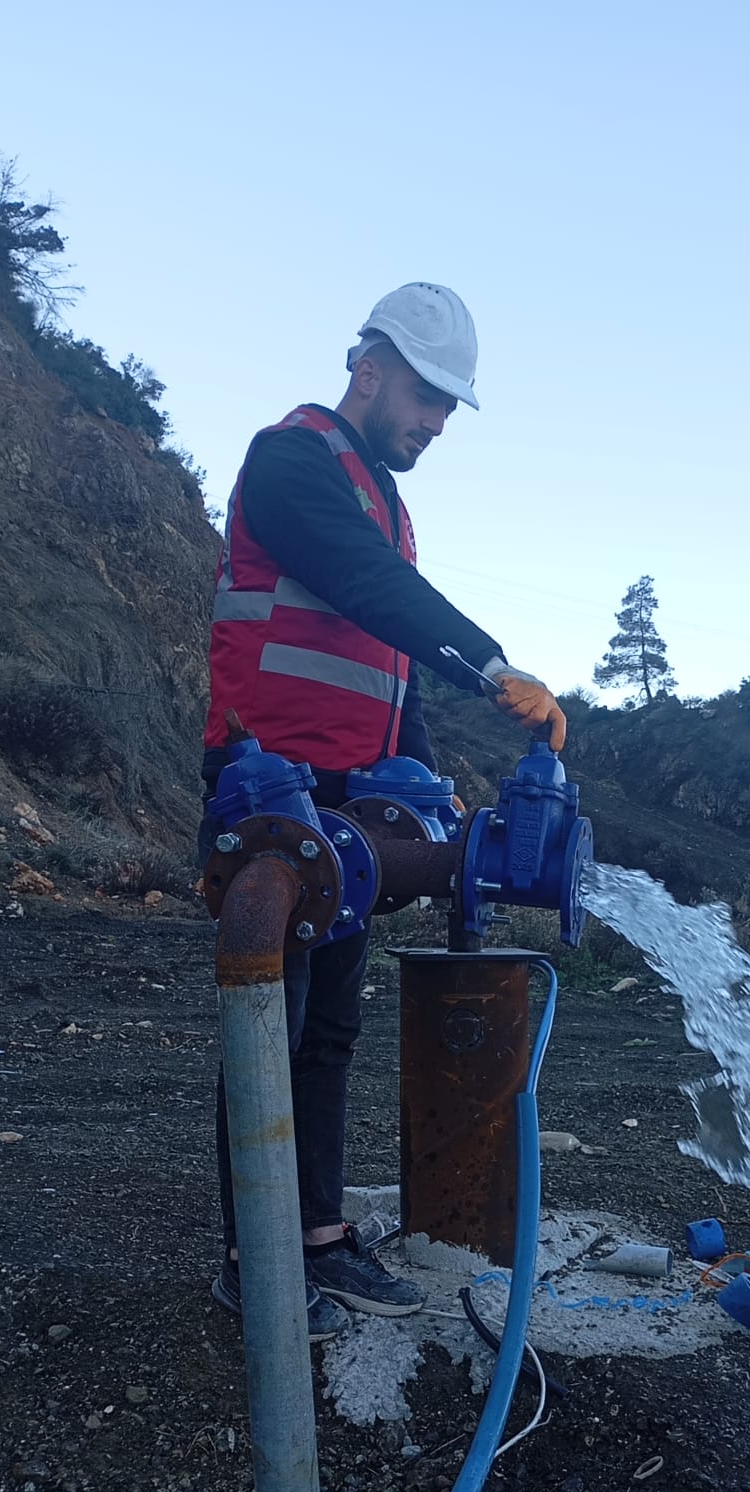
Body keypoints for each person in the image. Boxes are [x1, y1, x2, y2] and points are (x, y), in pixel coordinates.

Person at [202, 282, 566, 1338]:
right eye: (427, 397)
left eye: (451, 405)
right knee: (265, 1023)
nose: (439, 421)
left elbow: (386, 664)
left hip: (351, 807)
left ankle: (317, 1237)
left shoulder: (388, 502)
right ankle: (249, 1257)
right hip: (266, 789)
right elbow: (364, 588)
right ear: (369, 371)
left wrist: (422, 778)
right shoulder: (292, 463)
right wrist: (491, 666)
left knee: (325, 1032)